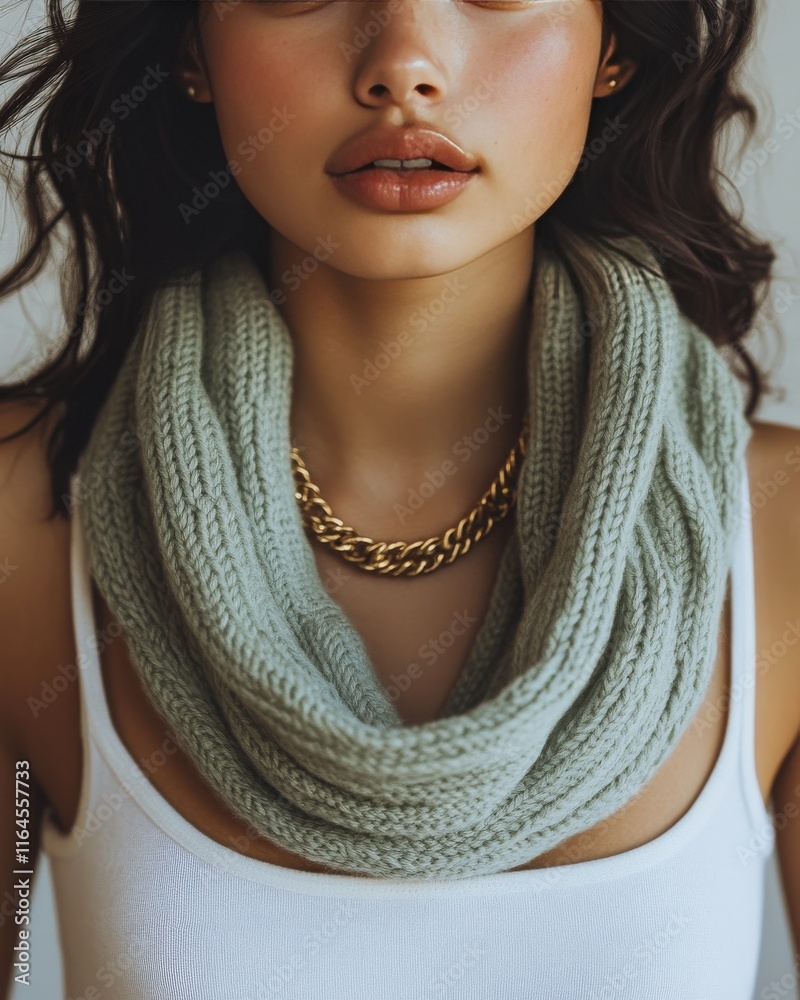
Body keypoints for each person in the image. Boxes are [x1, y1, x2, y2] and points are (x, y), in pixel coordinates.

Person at [1, 1, 799, 997]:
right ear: (189, 51)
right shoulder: (18, 518)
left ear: (614, 50)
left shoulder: (785, 533)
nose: (403, 65)